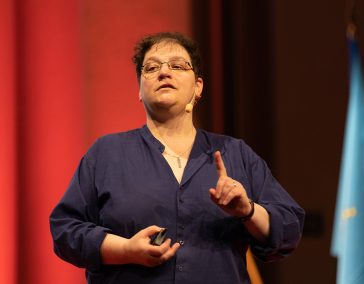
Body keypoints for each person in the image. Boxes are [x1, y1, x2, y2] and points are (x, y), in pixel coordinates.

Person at [50, 32, 305, 284]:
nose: (164, 72)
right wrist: (125, 249)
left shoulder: (235, 153)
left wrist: (247, 210)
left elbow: (289, 230)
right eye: (151, 67)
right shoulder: (107, 153)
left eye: (177, 66)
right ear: (139, 88)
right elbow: (66, 230)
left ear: (198, 87)